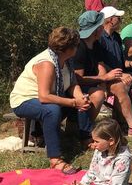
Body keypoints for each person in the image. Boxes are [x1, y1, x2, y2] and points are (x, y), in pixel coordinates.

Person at [10, 27, 90, 174]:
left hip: (48, 98)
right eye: (76, 45)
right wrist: (73, 102)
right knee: (52, 110)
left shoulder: (66, 61)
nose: (78, 48)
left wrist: (79, 98)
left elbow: (72, 84)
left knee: (84, 99)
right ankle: (55, 159)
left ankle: (86, 139)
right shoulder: (47, 63)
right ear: (68, 48)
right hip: (25, 100)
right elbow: (44, 96)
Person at [74, 10, 132, 137]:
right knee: (107, 91)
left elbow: (100, 64)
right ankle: (84, 130)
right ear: (94, 29)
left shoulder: (95, 43)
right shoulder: (80, 47)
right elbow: (77, 79)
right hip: (80, 86)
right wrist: (104, 78)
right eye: (99, 26)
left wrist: (103, 81)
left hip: (96, 81)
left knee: (119, 85)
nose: (102, 27)